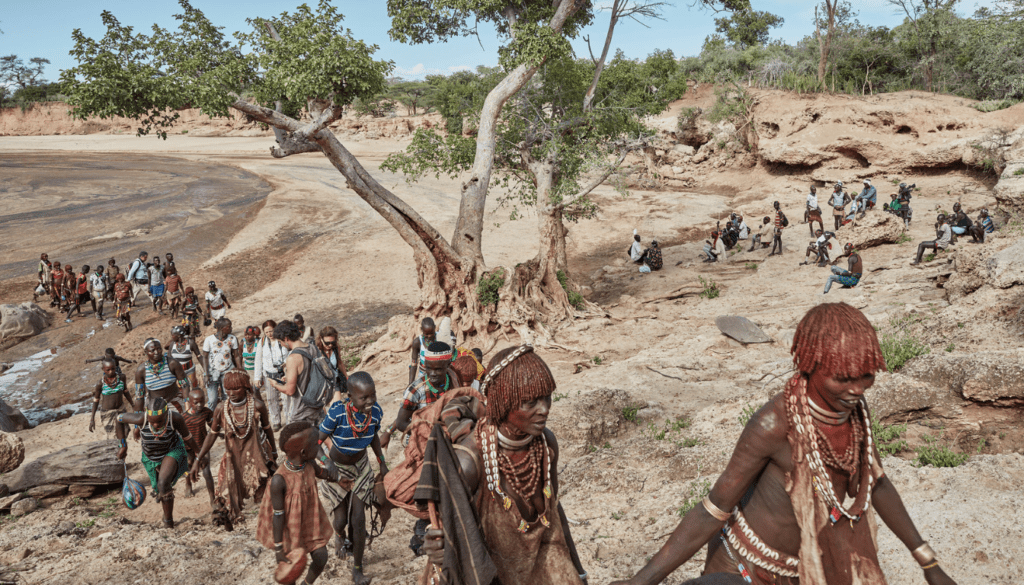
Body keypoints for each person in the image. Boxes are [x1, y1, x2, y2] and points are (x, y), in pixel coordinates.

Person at [608, 303, 958, 585]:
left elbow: (876, 483)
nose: (858, 389)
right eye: (843, 379)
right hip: (744, 570)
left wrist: (928, 562)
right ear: (809, 366)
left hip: (805, 570)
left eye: (866, 377)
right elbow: (713, 509)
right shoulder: (774, 423)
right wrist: (642, 581)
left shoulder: (852, 412)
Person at [421, 345, 588, 585]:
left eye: (547, 397)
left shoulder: (545, 443)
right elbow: (456, 540)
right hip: (493, 572)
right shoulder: (470, 461)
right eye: (530, 402)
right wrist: (436, 545)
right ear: (502, 401)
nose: (545, 409)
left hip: (544, 557)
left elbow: (554, 511)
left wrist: (579, 573)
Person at [317, 371, 388, 584]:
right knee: (340, 521)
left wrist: (382, 462)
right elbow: (316, 442)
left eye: (372, 395)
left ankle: (357, 569)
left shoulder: (375, 412)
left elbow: (373, 435)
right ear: (350, 396)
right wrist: (327, 463)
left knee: (358, 521)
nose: (370, 401)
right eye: (363, 398)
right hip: (336, 469)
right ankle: (339, 536)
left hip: (361, 469)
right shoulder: (337, 413)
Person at [256, 421, 340, 585]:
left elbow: (323, 474)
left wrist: (335, 474)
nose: (318, 447)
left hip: (310, 521)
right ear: (303, 452)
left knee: (321, 556)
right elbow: (278, 515)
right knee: (291, 574)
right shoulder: (279, 481)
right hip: (289, 529)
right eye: (315, 445)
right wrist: (279, 549)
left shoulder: (309, 464)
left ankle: (307, 583)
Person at [191, 370, 278, 528]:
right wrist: (198, 459)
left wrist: (273, 452)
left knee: (265, 491)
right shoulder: (220, 409)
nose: (231, 393)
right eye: (227, 389)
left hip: (257, 455)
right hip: (234, 456)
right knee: (227, 493)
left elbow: (267, 429)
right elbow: (212, 435)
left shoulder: (257, 405)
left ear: (246, 387)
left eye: (236, 388)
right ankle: (231, 519)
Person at [116, 396, 199, 528]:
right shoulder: (141, 419)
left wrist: (199, 454)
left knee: (163, 483)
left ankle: (168, 522)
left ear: (166, 414)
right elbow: (119, 419)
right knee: (159, 487)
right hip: (150, 457)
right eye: (152, 422)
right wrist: (123, 445)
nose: (155, 425)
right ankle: (165, 507)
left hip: (172, 451)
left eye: (159, 422)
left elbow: (187, 437)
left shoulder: (175, 418)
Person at [380, 341, 462, 451]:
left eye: (438, 369)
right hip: (421, 442)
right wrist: (428, 434)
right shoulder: (416, 390)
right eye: (429, 368)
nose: (432, 373)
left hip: (448, 437)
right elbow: (401, 422)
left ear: (447, 365)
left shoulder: (453, 379)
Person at [269, 320, 330, 426]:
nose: (282, 346)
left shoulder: (293, 358)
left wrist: (275, 385)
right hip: (317, 408)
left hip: (301, 414)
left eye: (280, 342)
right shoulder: (313, 348)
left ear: (286, 339)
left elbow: (289, 391)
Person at [134, 338, 191, 415]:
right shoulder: (141, 371)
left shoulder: (172, 363)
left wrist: (187, 406)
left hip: (174, 401)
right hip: (153, 406)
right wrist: (138, 416)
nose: (157, 352)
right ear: (146, 352)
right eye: (152, 350)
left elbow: (185, 385)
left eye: (159, 349)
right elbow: (139, 396)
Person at [181, 387, 216, 505]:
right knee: (188, 467)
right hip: (188, 448)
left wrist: (218, 431)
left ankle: (212, 498)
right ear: (190, 402)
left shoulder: (207, 412)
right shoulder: (184, 417)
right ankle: (188, 484)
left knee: (206, 472)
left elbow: (212, 425)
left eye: (202, 401)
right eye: (196, 403)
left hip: (202, 445)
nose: (199, 405)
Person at [88, 357, 133, 448]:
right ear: (103, 369)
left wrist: (133, 404)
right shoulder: (100, 383)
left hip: (121, 409)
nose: (111, 371)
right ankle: (117, 455)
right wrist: (92, 419)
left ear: (116, 367)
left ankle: (122, 455)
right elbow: (96, 400)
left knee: (125, 432)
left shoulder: (121, 377)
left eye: (113, 368)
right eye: (107, 370)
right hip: (108, 413)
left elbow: (125, 392)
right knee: (113, 438)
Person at [202, 317, 241, 411]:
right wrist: (206, 374)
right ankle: (212, 419)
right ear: (222, 328)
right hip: (212, 371)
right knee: (212, 399)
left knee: (227, 397)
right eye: (229, 327)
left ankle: (227, 416)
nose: (231, 328)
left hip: (227, 370)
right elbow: (205, 357)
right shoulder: (209, 340)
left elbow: (236, 356)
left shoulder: (232, 338)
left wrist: (240, 370)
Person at [255, 319, 288, 431]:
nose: (270, 334)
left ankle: (288, 420)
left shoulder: (282, 339)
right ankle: (276, 421)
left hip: (283, 374)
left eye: (271, 331)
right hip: (269, 375)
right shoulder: (262, 342)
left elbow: (289, 354)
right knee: (271, 398)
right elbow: (258, 360)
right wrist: (257, 377)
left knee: (286, 398)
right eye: (267, 332)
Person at [316, 326, 349, 398]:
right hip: (322, 384)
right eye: (327, 343)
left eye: (333, 342)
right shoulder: (316, 351)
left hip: (334, 381)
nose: (330, 345)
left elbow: (340, 363)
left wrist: (346, 377)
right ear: (321, 339)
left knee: (337, 404)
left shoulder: (335, 348)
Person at [168, 325, 202, 391]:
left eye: (172, 335)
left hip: (189, 370)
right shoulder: (172, 344)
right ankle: (185, 400)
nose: (171, 337)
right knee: (182, 389)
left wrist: (206, 372)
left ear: (179, 335)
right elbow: (169, 359)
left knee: (194, 387)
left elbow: (199, 357)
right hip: (178, 372)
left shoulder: (191, 343)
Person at [409, 317, 438, 385]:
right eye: (426, 334)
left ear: (435, 327)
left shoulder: (440, 337)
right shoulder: (417, 342)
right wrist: (410, 383)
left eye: (432, 333)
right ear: (421, 330)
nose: (429, 336)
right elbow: (413, 364)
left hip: (439, 374)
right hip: (423, 374)